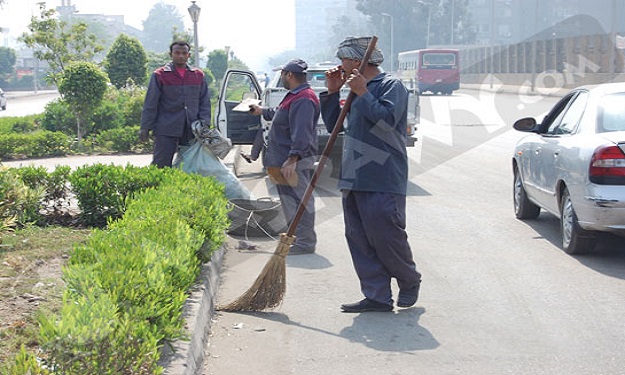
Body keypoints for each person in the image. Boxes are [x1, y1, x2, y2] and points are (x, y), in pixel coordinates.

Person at [319, 36, 422, 312]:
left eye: (343, 60)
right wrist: (331, 92)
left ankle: (409, 279)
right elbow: (334, 126)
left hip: (384, 174)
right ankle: (376, 295)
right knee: (358, 237)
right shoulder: (354, 88)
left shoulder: (391, 86)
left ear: (356, 61)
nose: (340, 65)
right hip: (354, 174)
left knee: (386, 233)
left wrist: (363, 92)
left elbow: (387, 123)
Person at [249, 58, 319, 255]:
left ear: (289, 75)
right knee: (289, 202)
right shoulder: (295, 96)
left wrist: (293, 158)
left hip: (290, 161)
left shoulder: (304, 98)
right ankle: (295, 238)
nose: (281, 77)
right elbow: (281, 114)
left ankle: (305, 242)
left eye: (282, 74)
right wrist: (262, 111)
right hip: (281, 159)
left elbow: (302, 132)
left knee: (299, 201)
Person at [140, 40, 212, 168]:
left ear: (189, 55)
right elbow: (151, 103)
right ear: (170, 54)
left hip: (192, 129)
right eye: (177, 53)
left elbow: (204, 102)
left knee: (191, 164)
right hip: (166, 128)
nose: (181, 56)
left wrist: (204, 123)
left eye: (184, 53)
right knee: (161, 164)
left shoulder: (198, 75)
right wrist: (145, 127)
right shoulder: (160, 75)